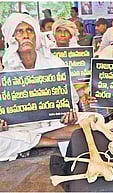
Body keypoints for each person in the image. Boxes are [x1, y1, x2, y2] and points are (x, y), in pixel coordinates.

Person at [0, 13, 82, 161]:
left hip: (54, 126)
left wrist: (70, 115)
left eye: (29, 30)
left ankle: (30, 143)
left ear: (36, 35)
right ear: (11, 38)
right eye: (19, 31)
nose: (25, 35)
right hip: (18, 130)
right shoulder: (4, 70)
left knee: (93, 121)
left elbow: (72, 101)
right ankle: (51, 143)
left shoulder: (55, 63)